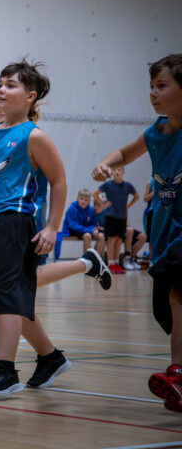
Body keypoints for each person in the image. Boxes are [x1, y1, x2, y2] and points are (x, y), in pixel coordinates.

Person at [0, 60, 74, 395]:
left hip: (13, 221)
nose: (1, 89)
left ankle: (6, 371)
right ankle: (50, 357)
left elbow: (59, 181)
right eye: (0, 83)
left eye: (10, 85)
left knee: (8, 295)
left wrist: (52, 227)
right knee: (5, 296)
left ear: (29, 96)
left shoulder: (33, 136)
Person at [92, 54, 182, 413]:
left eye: (162, 86)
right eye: (151, 86)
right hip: (163, 230)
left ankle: (177, 371)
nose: (153, 93)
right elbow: (126, 153)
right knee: (166, 308)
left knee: (177, 295)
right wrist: (105, 164)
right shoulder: (156, 133)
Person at [99, 167, 139, 274]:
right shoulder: (108, 184)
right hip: (110, 216)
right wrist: (104, 203)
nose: (117, 171)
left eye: (119, 169)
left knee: (119, 241)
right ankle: (110, 264)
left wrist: (128, 206)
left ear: (123, 172)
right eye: (115, 169)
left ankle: (116, 264)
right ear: (112, 172)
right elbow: (96, 193)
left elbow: (137, 196)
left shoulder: (127, 185)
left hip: (122, 218)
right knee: (111, 240)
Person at [62, 189, 104, 257]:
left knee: (101, 236)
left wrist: (95, 229)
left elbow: (93, 223)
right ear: (77, 199)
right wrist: (90, 231)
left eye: (86, 200)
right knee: (87, 236)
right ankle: (87, 260)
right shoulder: (72, 208)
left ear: (89, 201)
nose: (83, 201)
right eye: (81, 199)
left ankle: (96, 259)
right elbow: (73, 225)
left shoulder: (90, 209)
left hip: (85, 230)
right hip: (72, 230)